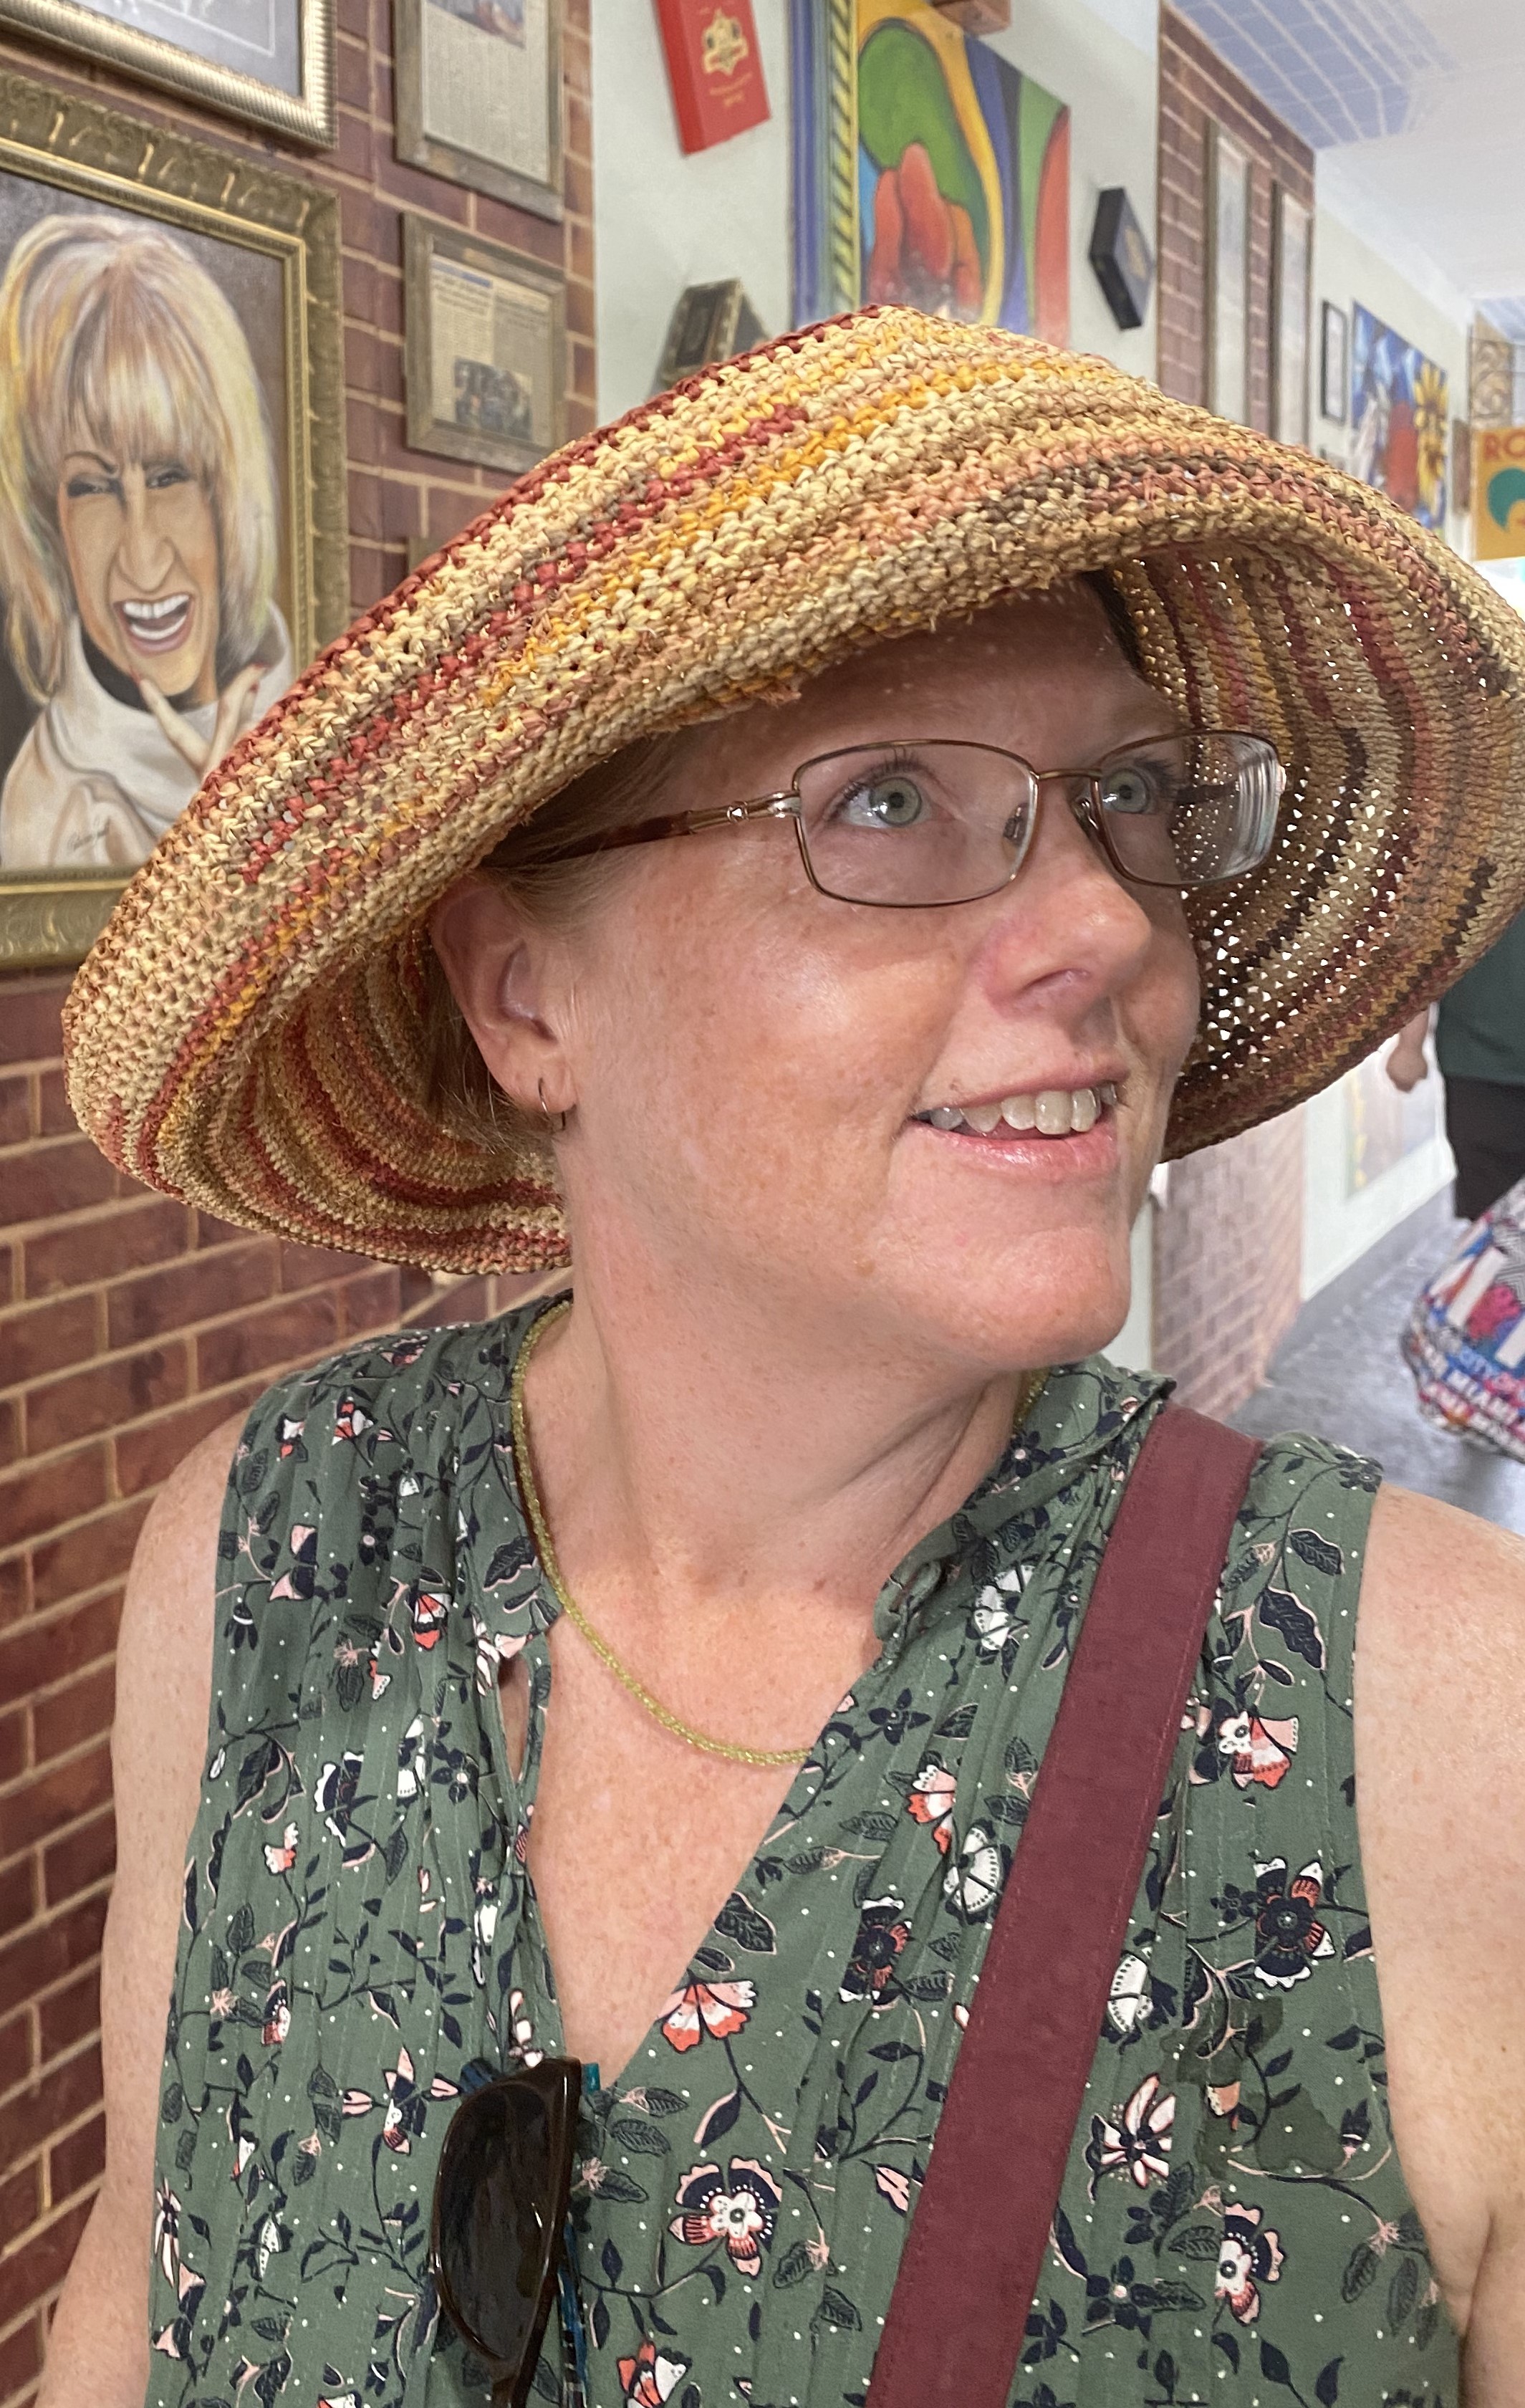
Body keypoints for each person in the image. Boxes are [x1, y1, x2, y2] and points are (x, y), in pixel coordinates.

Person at [52, 309, 1525, 2405]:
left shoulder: (1442, 1727)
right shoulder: (264, 1568)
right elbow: (136, 2285)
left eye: (1130, 801)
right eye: (892, 800)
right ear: (521, 997)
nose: (1105, 922)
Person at [0, 211, 292, 871]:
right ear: (52, 523)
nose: (142, 556)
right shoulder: (47, 812)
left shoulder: (317, 726)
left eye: (168, 476)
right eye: (93, 488)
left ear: (226, 494)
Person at [1387, 908, 1525, 1222]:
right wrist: (1409, 1044)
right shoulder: (1458, 864)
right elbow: (1421, 953)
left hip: (1476, 1063)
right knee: (1492, 1225)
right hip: (1480, 1068)